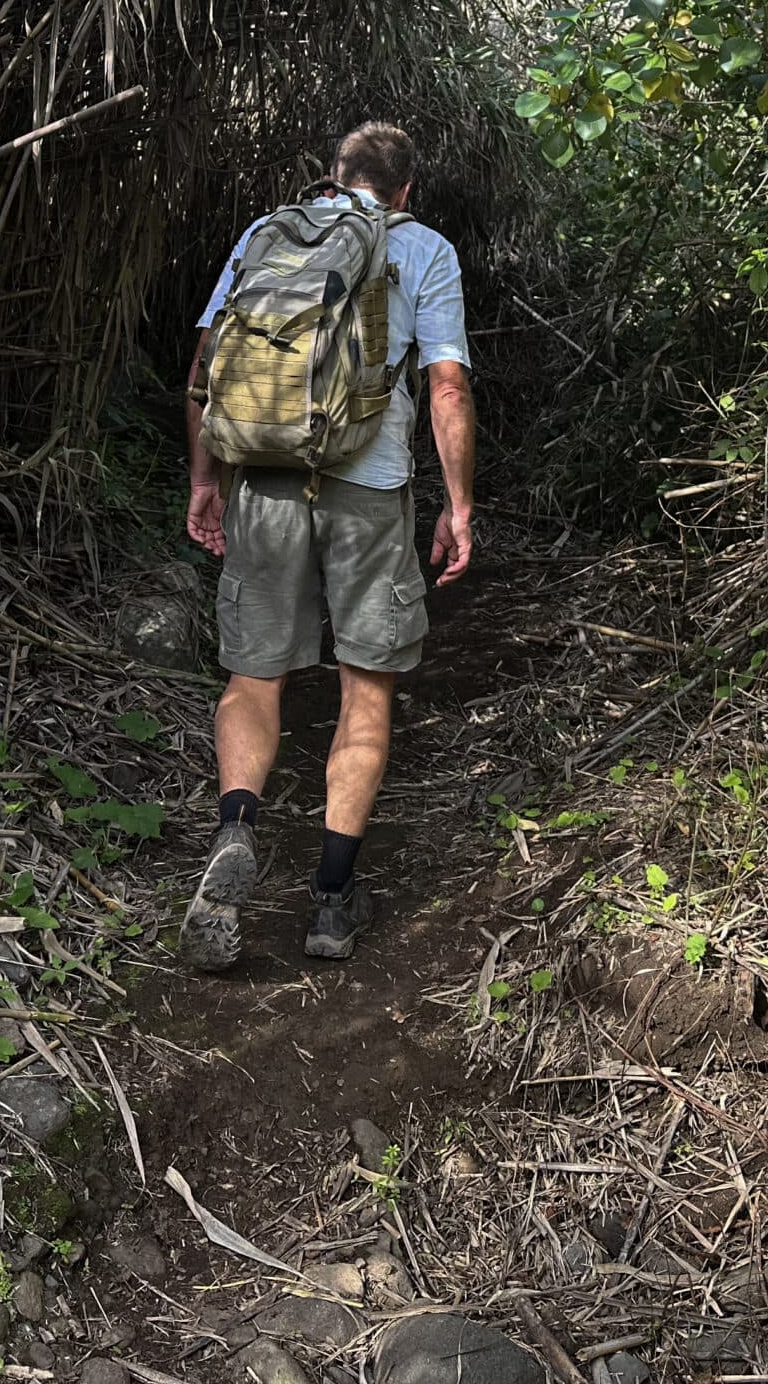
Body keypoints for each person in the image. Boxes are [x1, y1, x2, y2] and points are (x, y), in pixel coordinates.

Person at [180, 121, 476, 968]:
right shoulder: (425, 251)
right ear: (406, 191)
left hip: (262, 479)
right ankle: (332, 900)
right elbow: (446, 385)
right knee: (365, 684)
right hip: (369, 488)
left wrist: (206, 482)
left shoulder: (266, 234)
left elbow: (204, 370)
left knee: (253, 676)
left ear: (329, 177)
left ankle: (237, 827)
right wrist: (457, 505)